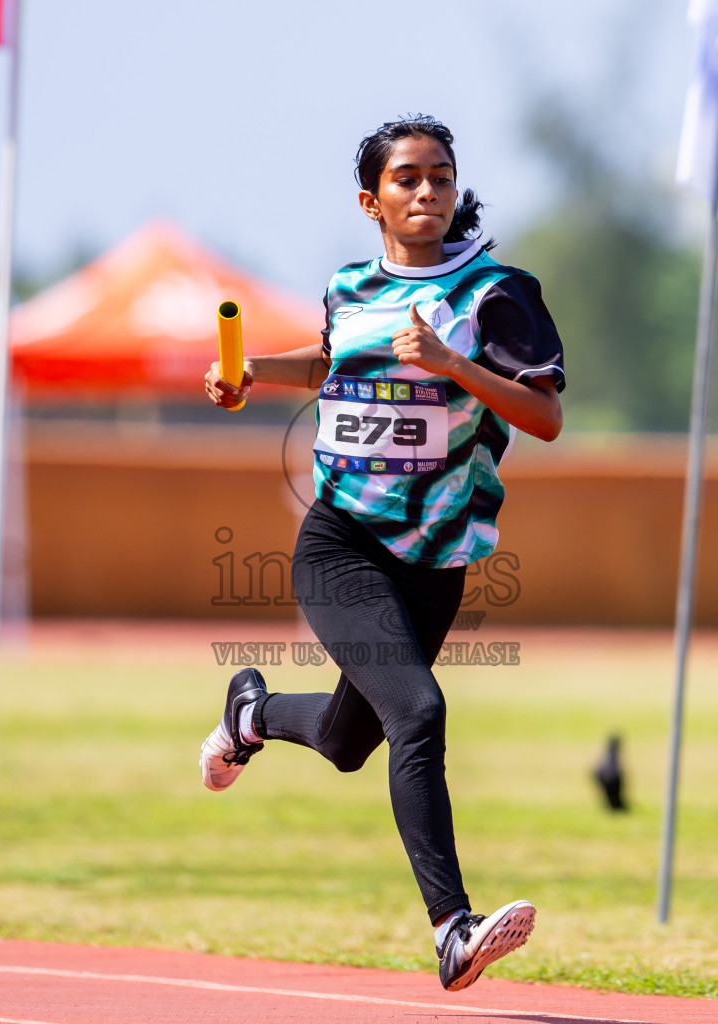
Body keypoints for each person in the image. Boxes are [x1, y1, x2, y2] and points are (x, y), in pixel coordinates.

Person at [199, 115, 564, 992]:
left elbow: (545, 417)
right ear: (372, 200)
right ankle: (453, 928)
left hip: (436, 559)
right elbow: (333, 364)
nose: (427, 191)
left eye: (440, 175)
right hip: (342, 542)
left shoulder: (495, 293)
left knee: (346, 739)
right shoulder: (351, 285)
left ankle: (248, 714)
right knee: (421, 714)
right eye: (407, 180)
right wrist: (250, 373)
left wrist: (452, 364)